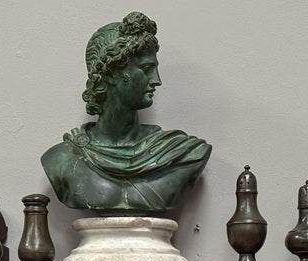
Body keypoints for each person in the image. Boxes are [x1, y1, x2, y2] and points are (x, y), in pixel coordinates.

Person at [41, 12, 212, 216]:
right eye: (146, 68)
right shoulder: (62, 159)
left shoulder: (184, 153)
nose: (157, 80)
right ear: (112, 74)